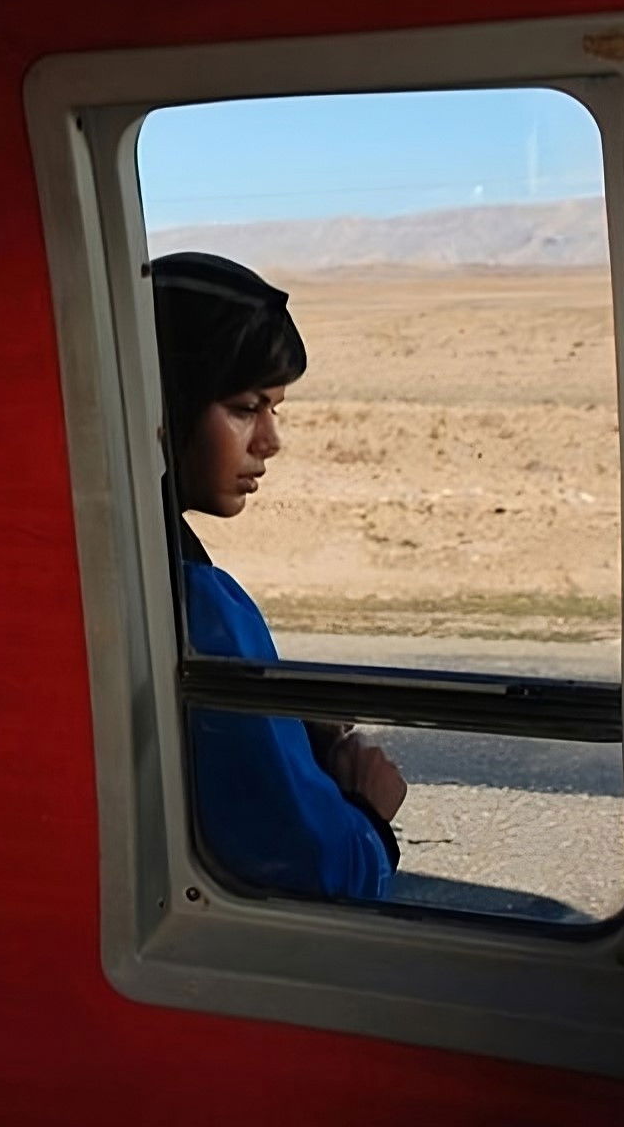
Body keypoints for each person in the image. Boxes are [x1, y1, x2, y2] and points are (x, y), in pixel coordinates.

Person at [151, 252, 405, 902]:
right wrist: (368, 814)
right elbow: (317, 873)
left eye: (274, 410)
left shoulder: (113, 563)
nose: (269, 440)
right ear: (162, 406)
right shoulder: (194, 607)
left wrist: (286, 730)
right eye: (245, 407)